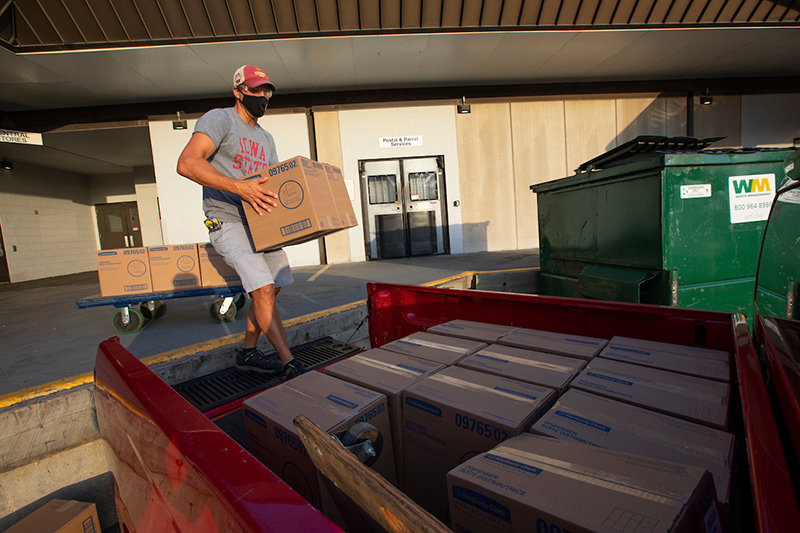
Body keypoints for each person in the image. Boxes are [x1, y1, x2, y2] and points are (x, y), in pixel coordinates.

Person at [176, 65, 306, 380]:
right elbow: (187, 162)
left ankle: (247, 353)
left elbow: (273, 181)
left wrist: (294, 218)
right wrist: (239, 187)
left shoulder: (265, 137)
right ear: (238, 92)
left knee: (272, 288)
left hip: (259, 222)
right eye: (256, 89)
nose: (263, 96)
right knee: (261, 288)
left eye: (267, 91)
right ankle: (289, 363)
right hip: (228, 219)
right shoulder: (220, 120)